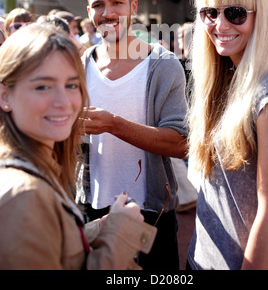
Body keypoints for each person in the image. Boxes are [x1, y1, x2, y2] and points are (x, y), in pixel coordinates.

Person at [0, 23, 156, 270]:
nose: (64, 102)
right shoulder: (23, 195)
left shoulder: (39, 166)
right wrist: (122, 232)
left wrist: (99, 229)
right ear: (5, 96)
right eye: (43, 86)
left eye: (72, 85)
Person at [187, 0, 268, 270]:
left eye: (234, 13)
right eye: (210, 13)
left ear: (258, 17)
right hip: (204, 258)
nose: (220, 25)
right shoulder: (221, 78)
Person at [77, 0, 188, 270]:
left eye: (117, 3)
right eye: (98, 5)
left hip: (152, 211)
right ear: (89, 12)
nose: (108, 12)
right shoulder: (80, 64)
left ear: (134, 7)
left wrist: (113, 124)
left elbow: (181, 143)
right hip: (94, 205)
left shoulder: (163, 66)